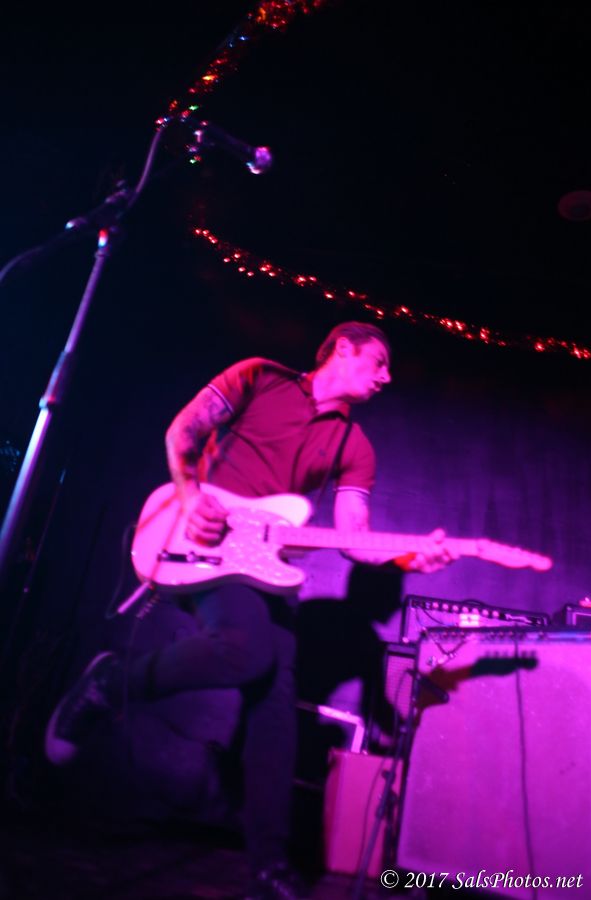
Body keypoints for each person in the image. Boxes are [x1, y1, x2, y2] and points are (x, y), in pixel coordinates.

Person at [45, 321, 454, 899]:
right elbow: (184, 430)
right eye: (379, 362)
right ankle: (112, 682)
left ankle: (267, 866)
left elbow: (354, 539)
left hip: (266, 569)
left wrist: (412, 557)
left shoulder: (355, 446)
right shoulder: (259, 377)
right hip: (199, 542)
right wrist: (193, 497)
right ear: (343, 348)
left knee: (276, 705)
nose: (387, 377)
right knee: (248, 648)